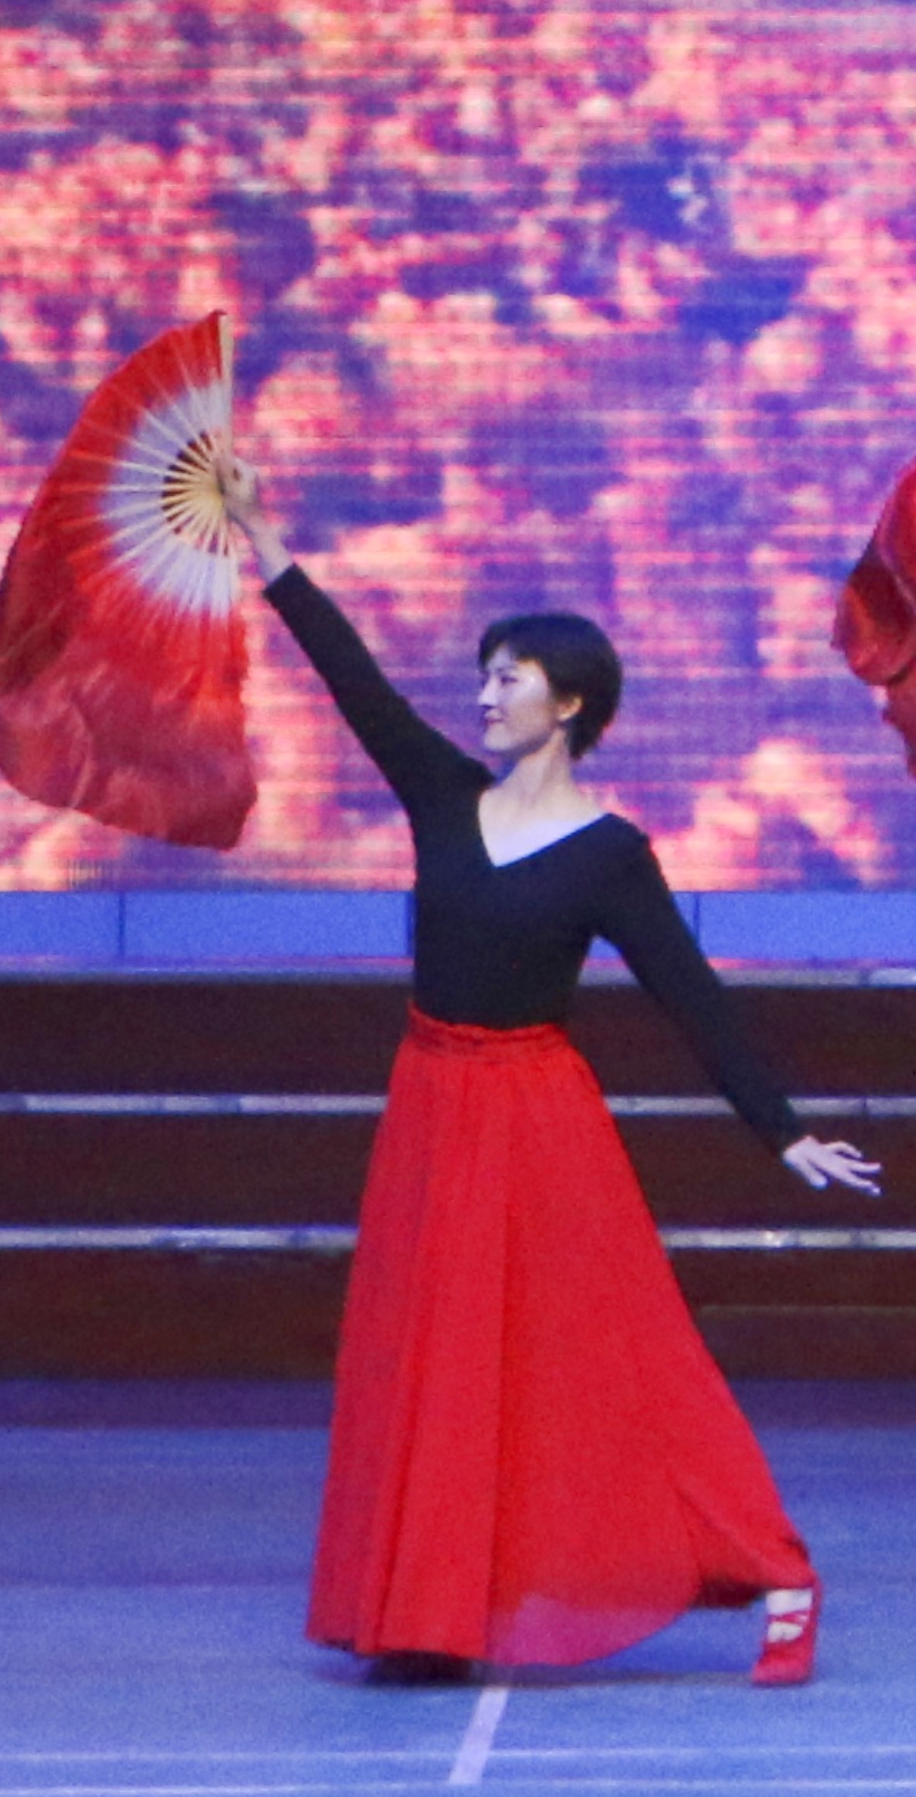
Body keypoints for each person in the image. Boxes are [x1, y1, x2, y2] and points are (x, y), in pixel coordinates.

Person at [262, 556, 877, 1685]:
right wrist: (264, 545)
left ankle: (781, 1578)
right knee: (427, 1361)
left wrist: (781, 1129)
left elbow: (691, 995)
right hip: (430, 1108)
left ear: (572, 703)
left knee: (617, 1359)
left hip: (536, 1117)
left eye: (512, 677)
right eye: (485, 676)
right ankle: (427, 1613)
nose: (487, 695)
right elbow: (352, 680)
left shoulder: (609, 855)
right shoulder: (443, 795)